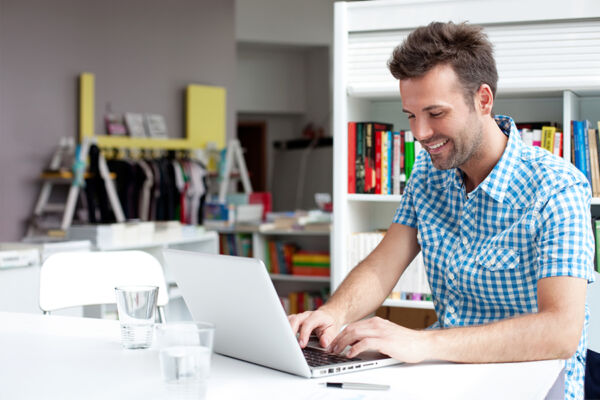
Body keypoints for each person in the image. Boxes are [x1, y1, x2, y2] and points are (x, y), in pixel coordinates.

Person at [289, 22, 595, 399]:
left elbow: (560, 332)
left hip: (535, 377)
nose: (419, 132)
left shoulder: (556, 188)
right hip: (446, 373)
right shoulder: (427, 174)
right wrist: (331, 314)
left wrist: (422, 343)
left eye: (435, 113)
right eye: (411, 115)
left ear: (483, 100)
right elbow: (381, 266)